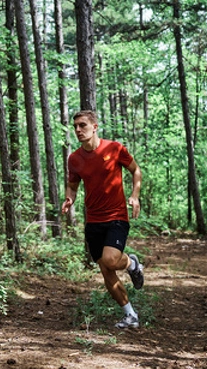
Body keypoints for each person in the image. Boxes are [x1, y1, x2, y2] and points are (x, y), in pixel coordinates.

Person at [61, 110, 144, 329]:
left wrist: (134, 196)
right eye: (75, 126)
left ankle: (132, 263)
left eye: (83, 125)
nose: (78, 130)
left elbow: (136, 171)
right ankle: (130, 315)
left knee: (110, 260)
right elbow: (73, 185)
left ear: (95, 126)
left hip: (116, 216)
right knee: (106, 270)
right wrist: (69, 199)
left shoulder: (114, 149)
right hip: (93, 221)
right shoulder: (75, 159)